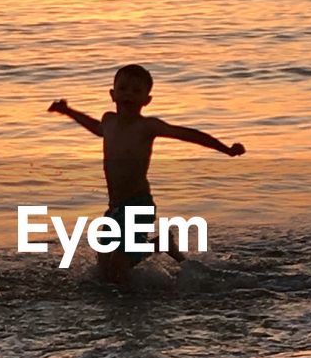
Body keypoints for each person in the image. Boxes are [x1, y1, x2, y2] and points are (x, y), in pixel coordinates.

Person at [48, 63, 245, 287]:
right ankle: (159, 245)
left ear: (146, 100)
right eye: (123, 89)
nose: (128, 94)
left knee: (120, 269)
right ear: (113, 94)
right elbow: (94, 127)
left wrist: (226, 150)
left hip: (138, 205)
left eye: (136, 91)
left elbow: (189, 135)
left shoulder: (147, 127)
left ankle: (144, 275)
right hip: (115, 207)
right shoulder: (109, 121)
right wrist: (68, 111)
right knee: (103, 270)